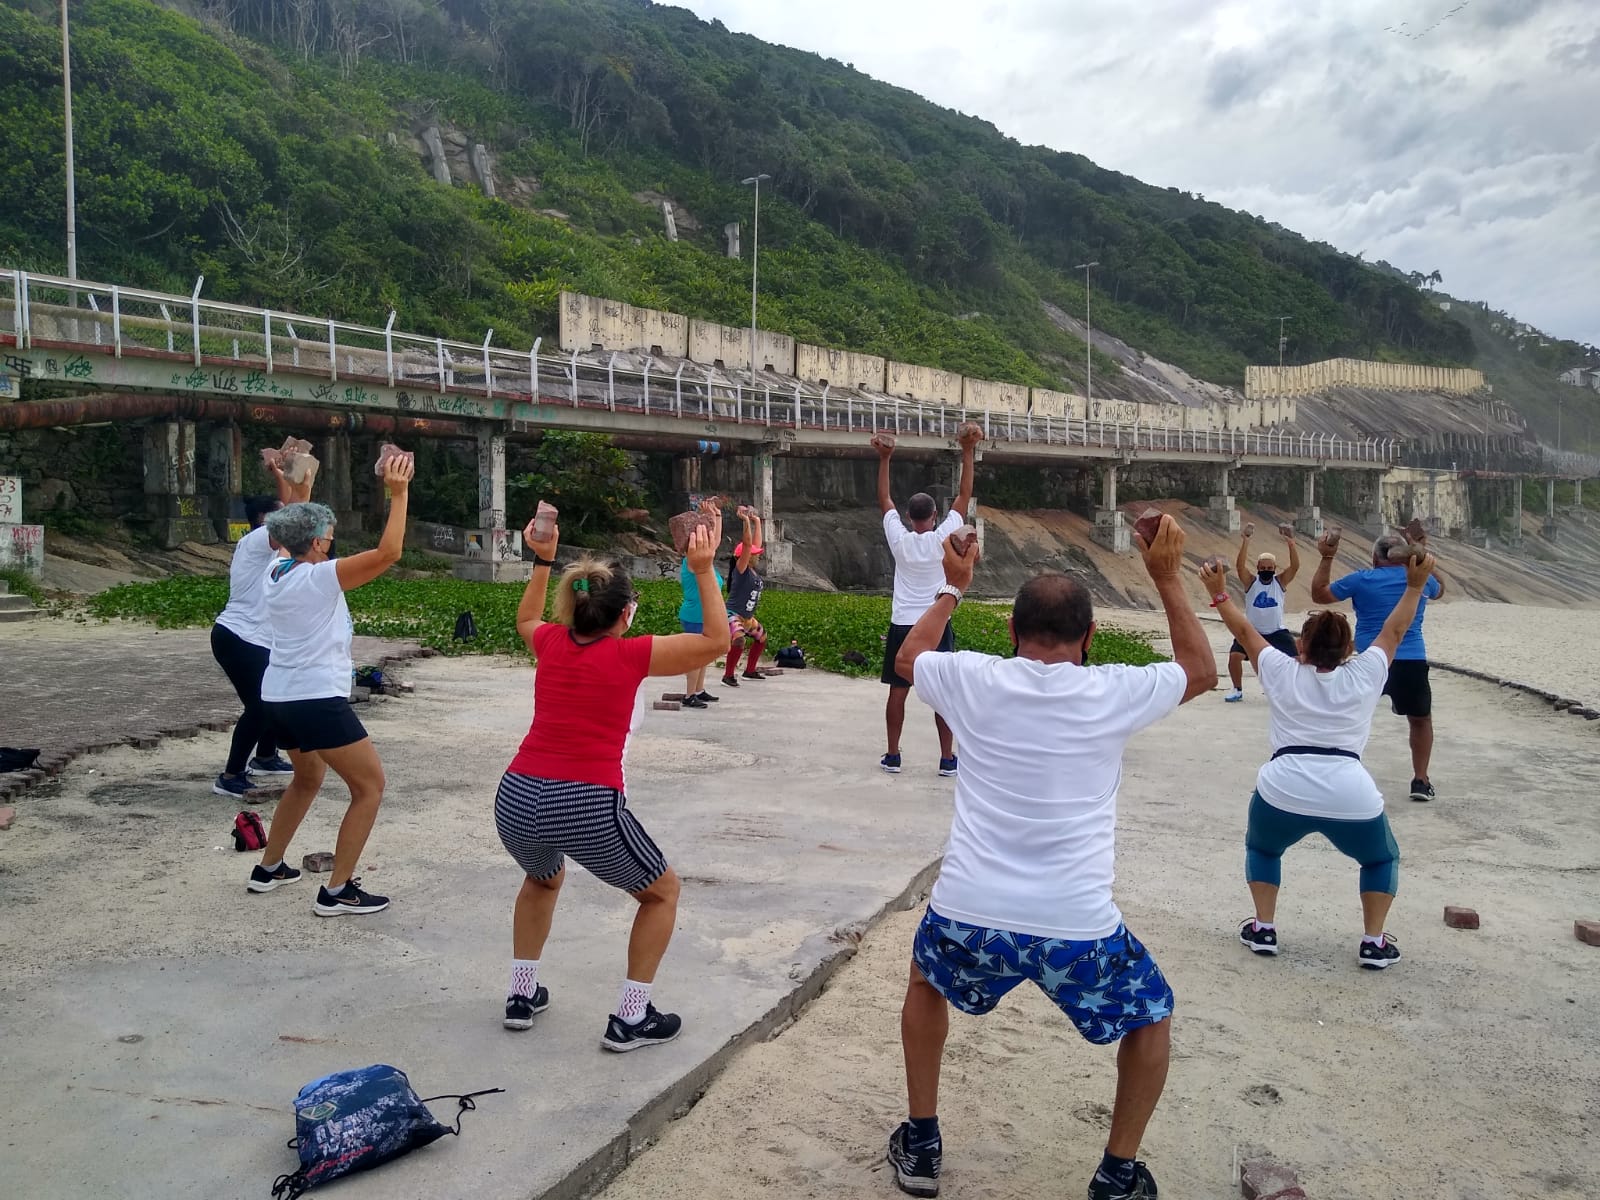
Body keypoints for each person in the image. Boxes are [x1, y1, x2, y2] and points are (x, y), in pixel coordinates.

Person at [886, 514, 1216, 1200]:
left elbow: (909, 659)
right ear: (1090, 639)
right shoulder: (1112, 691)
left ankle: (921, 1145)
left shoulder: (974, 679)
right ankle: (1117, 1174)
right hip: (1078, 924)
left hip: (971, 912)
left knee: (925, 980)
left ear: (1012, 632)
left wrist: (952, 589)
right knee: (1151, 1015)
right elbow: (1201, 670)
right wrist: (1163, 577)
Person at [496, 510, 730, 1051]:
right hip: (584, 799)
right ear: (625, 613)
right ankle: (630, 1016)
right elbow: (717, 639)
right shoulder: (630, 655)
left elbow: (527, 619)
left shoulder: (550, 642)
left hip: (516, 796)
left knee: (542, 879)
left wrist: (543, 559)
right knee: (661, 894)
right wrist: (702, 568)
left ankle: (520, 994)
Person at [1203, 547, 1437, 970]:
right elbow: (1395, 630)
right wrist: (1415, 587)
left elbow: (1242, 627)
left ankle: (1264, 928)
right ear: (1349, 648)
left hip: (1284, 784)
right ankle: (1373, 941)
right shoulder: (1366, 672)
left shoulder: (1281, 669)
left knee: (1264, 849)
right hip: (1349, 788)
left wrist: (1219, 593)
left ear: (1301, 646)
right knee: (1380, 858)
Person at [247, 456, 415, 914]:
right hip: (315, 699)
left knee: (308, 777)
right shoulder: (319, 578)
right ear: (317, 542)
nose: (331, 540)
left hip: (279, 698)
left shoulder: (276, 571)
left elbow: (292, 523)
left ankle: (269, 867)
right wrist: (397, 494)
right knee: (369, 787)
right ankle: (338, 891)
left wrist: (298, 484)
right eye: (328, 535)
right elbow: (388, 553)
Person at [876, 424, 981, 776]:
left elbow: (884, 500)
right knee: (942, 692)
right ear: (935, 517)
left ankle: (893, 755)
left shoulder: (900, 541)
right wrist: (967, 451)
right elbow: (963, 497)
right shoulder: (944, 537)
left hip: (904, 623)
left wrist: (885, 458)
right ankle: (947, 759)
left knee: (898, 689)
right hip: (935, 623)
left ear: (910, 517)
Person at [1311, 527, 1444, 801]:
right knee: (1420, 720)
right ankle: (1421, 780)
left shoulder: (1363, 579)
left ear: (1374, 558)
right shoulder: (1417, 579)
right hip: (1411, 658)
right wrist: (1422, 559)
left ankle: (1336, 776)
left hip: (1369, 659)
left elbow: (1320, 594)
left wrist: (1327, 558)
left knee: (1346, 717)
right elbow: (1440, 590)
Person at [210, 468, 301, 798]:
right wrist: (293, 482)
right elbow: (292, 517)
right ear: (265, 519)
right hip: (237, 637)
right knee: (261, 706)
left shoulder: (272, 549)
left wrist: (286, 475)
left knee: (273, 696)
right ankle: (231, 775)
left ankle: (265, 757)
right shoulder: (255, 541)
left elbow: (292, 513)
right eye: (279, 513)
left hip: (257, 639)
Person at [1223, 522, 1301, 702]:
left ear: (1274, 568)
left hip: (1276, 631)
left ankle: (1293, 689)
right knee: (1235, 657)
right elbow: (1240, 567)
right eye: (1263, 568)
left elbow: (1295, 567)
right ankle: (1237, 689)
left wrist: (1291, 543)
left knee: (1296, 659)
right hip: (1252, 632)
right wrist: (1245, 541)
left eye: (1269, 568)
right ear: (1258, 568)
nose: (1266, 571)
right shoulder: (1251, 582)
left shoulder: (1279, 582)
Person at [676, 497, 724, 710]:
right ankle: (689, 695)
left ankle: (699, 689)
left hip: (704, 615)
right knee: (696, 656)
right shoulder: (692, 561)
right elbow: (713, 543)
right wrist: (711, 517)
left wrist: (717, 516)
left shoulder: (704, 560)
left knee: (704, 655)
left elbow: (716, 542)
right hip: (695, 615)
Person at [721, 510, 767, 687]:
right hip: (733, 613)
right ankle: (728, 675)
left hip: (747, 616)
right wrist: (746, 521)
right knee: (739, 640)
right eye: (755, 554)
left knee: (761, 638)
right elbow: (748, 545)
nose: (758, 555)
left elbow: (755, 544)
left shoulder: (753, 571)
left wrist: (756, 521)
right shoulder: (741, 570)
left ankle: (749, 671)